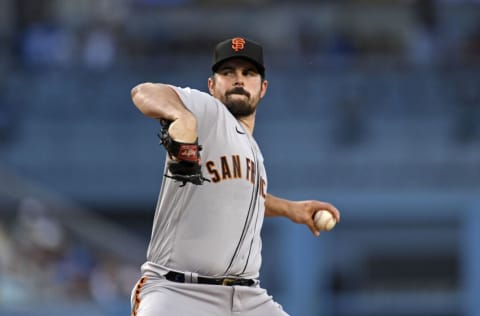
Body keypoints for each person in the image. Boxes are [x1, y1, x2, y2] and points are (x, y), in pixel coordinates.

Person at [130, 36, 341, 316]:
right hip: (179, 291)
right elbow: (144, 92)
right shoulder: (208, 112)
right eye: (228, 73)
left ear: (263, 88)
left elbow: (242, 199)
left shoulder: (252, 149)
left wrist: (292, 209)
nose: (238, 80)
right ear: (212, 86)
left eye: (248, 73)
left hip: (247, 297)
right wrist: (182, 116)